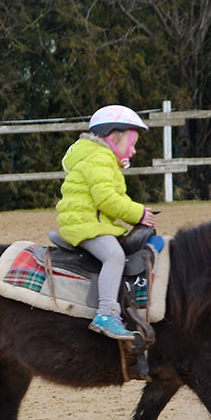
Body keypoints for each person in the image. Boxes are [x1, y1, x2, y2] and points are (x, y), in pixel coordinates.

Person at [54, 105, 160, 341]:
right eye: (132, 144)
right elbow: (107, 200)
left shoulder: (101, 159)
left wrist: (138, 211)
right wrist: (138, 214)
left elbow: (117, 198)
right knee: (114, 256)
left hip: (88, 220)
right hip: (85, 223)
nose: (134, 151)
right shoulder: (99, 159)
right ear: (113, 137)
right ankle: (106, 313)